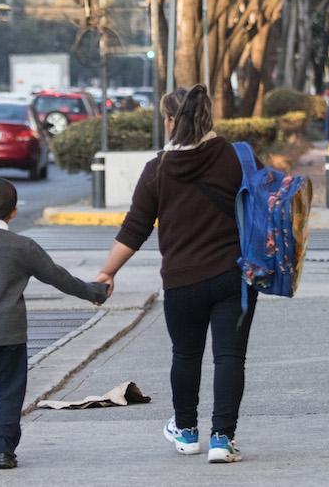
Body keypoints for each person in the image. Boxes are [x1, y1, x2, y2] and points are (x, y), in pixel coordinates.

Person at [95, 84, 259, 464]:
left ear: (171, 121)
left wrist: (107, 272)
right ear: (208, 116)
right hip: (233, 276)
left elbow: (134, 229)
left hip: (182, 282)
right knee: (230, 357)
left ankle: (186, 431)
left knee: (185, 354)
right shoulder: (236, 157)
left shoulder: (158, 169)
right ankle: (222, 439)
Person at [0, 178, 108, 470]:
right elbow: (59, 277)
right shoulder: (23, 246)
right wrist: (94, 291)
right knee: (9, 391)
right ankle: (4, 451)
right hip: (11, 335)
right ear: (14, 212)